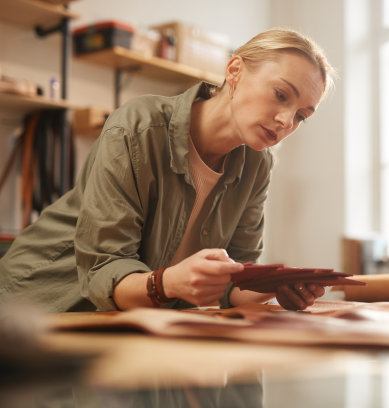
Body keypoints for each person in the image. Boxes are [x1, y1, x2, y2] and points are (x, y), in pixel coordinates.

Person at [0, 27, 335, 313]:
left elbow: (231, 282)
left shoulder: (257, 166)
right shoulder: (138, 127)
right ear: (235, 71)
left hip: (125, 323)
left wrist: (274, 287)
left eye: (302, 115)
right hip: (36, 302)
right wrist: (169, 282)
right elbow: (104, 269)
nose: (286, 121)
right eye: (280, 94)